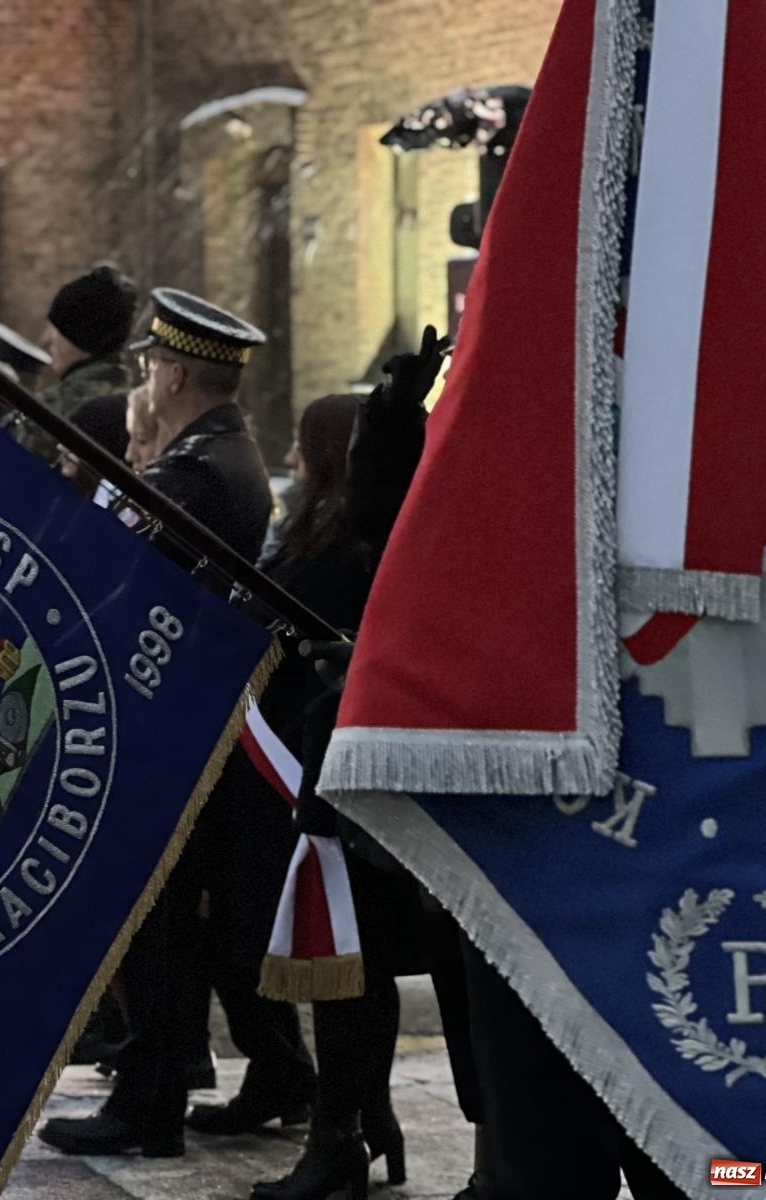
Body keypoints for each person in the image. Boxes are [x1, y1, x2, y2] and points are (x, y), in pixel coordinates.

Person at [39, 288, 314, 1159]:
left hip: (176, 731)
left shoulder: (194, 474)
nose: (147, 376)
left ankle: (148, 1100)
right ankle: (224, 1078)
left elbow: (114, 582)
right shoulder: (216, 455)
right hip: (187, 725)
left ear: (179, 374)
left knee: (157, 923)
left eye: (155, 365)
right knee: (185, 924)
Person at [234, 335, 442, 1200]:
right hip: (326, 758)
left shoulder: (346, 541)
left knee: (354, 963)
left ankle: (343, 1136)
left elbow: (331, 588)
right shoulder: (322, 523)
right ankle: (359, 1122)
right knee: (355, 963)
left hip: (346, 765)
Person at [22, 265, 138, 463]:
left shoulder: (54, 411)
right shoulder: (133, 403)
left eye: (55, 330)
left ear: (79, 338)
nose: (46, 339)